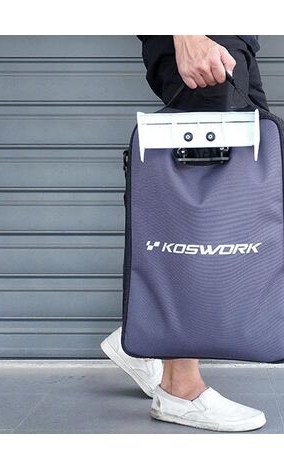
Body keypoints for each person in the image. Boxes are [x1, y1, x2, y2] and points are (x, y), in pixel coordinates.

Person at [101, 35, 269, 432]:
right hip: (203, 37)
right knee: (197, 223)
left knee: (243, 186)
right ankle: (180, 388)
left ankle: (147, 338)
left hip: (234, 39)